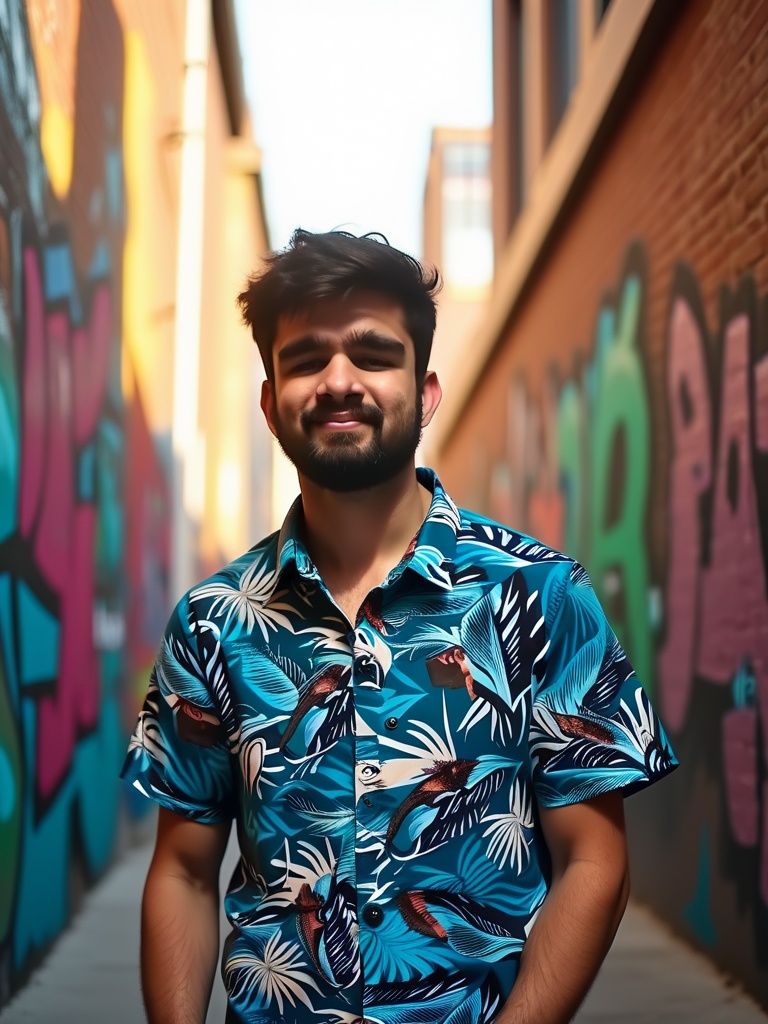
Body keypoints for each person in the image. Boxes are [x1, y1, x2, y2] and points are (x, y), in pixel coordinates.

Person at [122, 228, 677, 1024]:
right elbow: (181, 870)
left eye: (374, 355)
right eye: (306, 358)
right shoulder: (212, 622)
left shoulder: (538, 594)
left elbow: (595, 861)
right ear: (271, 402)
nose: (338, 381)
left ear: (426, 391)